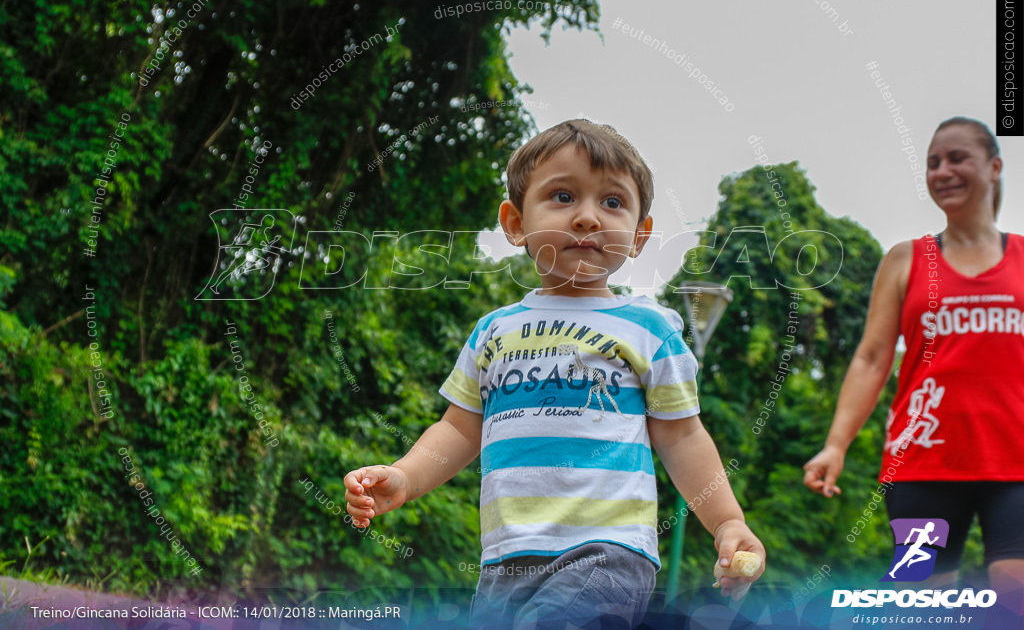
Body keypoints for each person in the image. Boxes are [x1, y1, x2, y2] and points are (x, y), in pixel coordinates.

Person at [345, 119, 765, 628]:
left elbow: (681, 438)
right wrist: (407, 475)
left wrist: (726, 520)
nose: (588, 218)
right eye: (563, 196)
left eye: (612, 202)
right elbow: (459, 428)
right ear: (516, 222)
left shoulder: (648, 329)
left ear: (639, 234)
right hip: (502, 560)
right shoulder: (492, 331)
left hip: (608, 553)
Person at [803, 117, 1024, 613]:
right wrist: (836, 445)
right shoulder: (906, 260)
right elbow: (872, 357)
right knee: (922, 607)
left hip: (1016, 462)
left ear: (994, 167)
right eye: (932, 163)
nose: (942, 171)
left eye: (956, 158)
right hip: (924, 461)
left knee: (1015, 604)